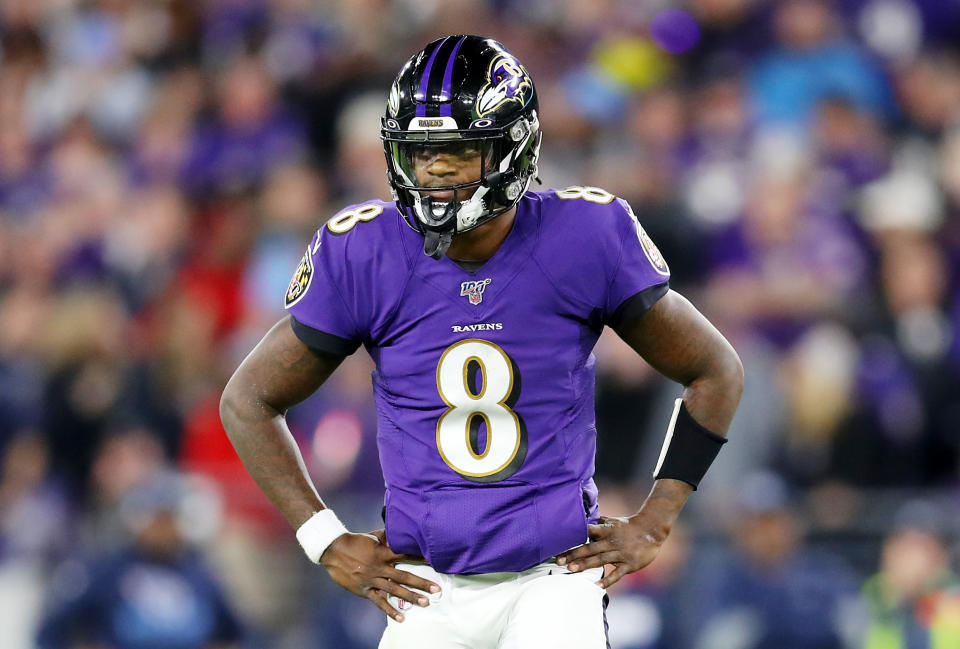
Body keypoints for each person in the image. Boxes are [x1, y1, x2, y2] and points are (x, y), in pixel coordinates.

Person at [220, 35, 743, 649]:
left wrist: (656, 521)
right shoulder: (364, 250)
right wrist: (323, 537)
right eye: (421, 152)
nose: (437, 169)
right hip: (423, 585)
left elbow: (715, 370)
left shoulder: (585, 234)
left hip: (554, 576)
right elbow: (247, 400)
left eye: (460, 150)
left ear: (512, 148)